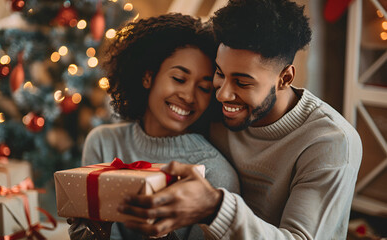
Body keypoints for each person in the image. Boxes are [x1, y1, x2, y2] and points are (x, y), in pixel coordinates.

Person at [118, 0, 363, 239]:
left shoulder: (330, 142)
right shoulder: (216, 107)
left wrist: (214, 209)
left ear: (285, 78)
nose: (223, 93)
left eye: (242, 82)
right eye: (219, 73)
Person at [68, 13, 240, 240]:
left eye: (204, 88)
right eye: (179, 78)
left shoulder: (215, 173)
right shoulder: (102, 142)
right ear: (148, 77)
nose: (189, 96)